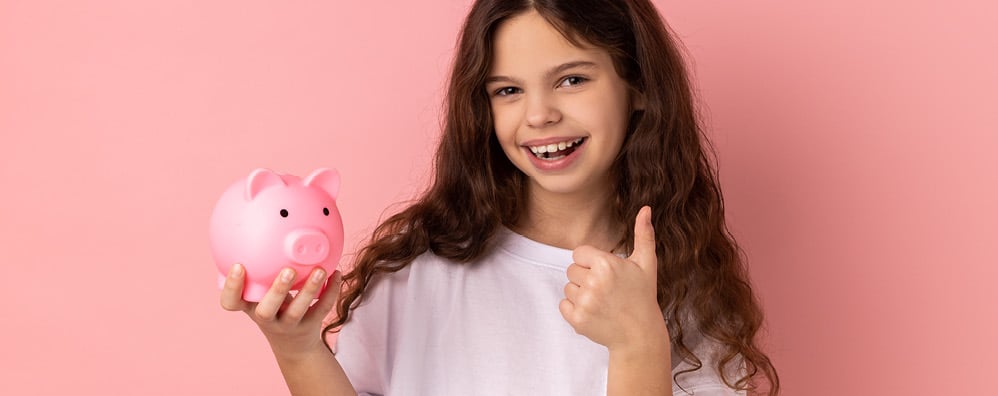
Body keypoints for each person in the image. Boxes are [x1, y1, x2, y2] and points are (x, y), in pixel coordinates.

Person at [220, 0, 780, 394]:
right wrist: (296, 347)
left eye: (572, 79)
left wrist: (639, 347)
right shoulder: (416, 270)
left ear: (637, 87)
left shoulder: (685, 285)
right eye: (508, 91)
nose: (539, 115)